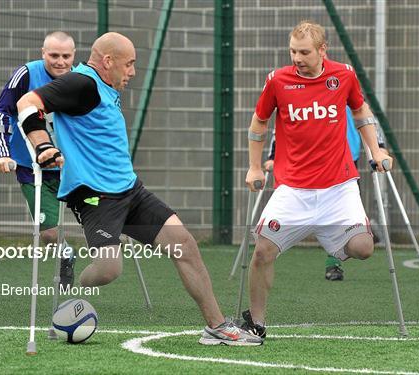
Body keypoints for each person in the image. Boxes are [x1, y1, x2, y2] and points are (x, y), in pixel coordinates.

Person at [15, 32, 262, 346]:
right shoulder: (82, 84)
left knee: (184, 243)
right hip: (95, 196)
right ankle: (74, 294)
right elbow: (28, 102)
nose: (132, 72)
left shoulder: (106, 85)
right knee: (107, 270)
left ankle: (217, 326)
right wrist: (42, 144)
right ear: (108, 61)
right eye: (129, 64)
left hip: (130, 190)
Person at [241, 21, 392, 339]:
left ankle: (328, 235)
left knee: (364, 248)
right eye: (293, 51)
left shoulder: (344, 75)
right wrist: (255, 167)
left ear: (322, 50)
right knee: (263, 251)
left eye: (304, 52)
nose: (297, 57)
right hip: (293, 187)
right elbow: (259, 122)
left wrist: (375, 151)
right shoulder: (278, 81)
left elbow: (361, 111)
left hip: (339, 185)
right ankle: (255, 322)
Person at [0, 31, 77, 287]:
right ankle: (66, 254)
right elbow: (0, 114)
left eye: (66, 56)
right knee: (49, 234)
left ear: (74, 55)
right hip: (33, 167)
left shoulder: (81, 78)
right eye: (54, 55)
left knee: (102, 214)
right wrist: (1, 152)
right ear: (43, 53)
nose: (60, 62)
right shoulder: (26, 74)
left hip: (72, 165)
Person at [264, 107, 387, 281]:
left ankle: (336, 258)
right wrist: (273, 155)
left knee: (341, 217)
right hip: (309, 164)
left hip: (345, 163)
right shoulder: (305, 95)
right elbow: (283, 124)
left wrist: (380, 148)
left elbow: (367, 118)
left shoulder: (349, 90)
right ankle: (333, 256)